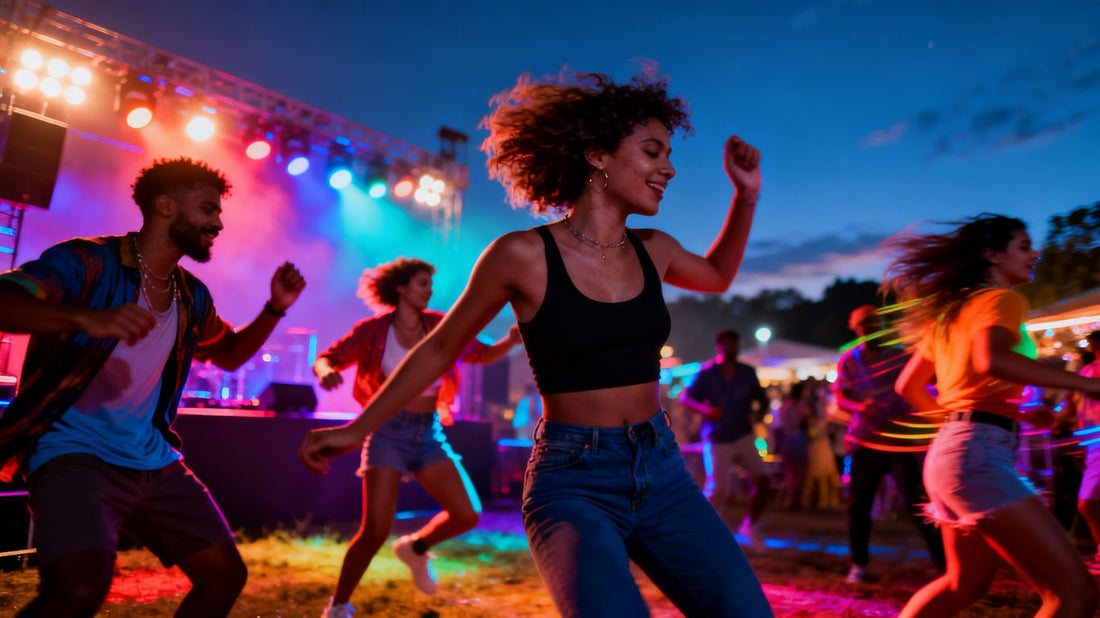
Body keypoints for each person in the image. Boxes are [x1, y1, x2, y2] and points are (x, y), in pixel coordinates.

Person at [299, 71, 773, 617]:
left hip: (662, 468)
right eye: (651, 151)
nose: (668, 168)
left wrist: (747, 195)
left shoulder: (656, 249)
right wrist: (358, 427)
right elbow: (437, 349)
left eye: (668, 154)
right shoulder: (521, 255)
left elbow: (716, 274)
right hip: (574, 481)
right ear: (596, 155)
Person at [0, 157, 306, 617]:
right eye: (207, 209)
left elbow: (228, 354)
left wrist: (274, 309)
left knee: (224, 576)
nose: (218, 223)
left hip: (152, 459)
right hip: (72, 454)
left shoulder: (191, 294)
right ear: (165, 206)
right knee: (78, 590)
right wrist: (85, 316)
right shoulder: (87, 261)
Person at [882, 213, 1099, 617]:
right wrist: (1086, 385)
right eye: (1023, 246)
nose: (1035, 254)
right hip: (977, 457)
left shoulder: (952, 312)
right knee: (1075, 595)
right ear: (992, 255)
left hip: (955, 454)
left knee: (965, 582)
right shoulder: (1003, 300)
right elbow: (990, 360)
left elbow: (908, 386)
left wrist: (968, 420)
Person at [312, 257, 521, 617]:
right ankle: (339, 605)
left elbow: (482, 353)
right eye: (423, 283)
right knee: (375, 530)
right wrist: (326, 371)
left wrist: (511, 341)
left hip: (428, 433)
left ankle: (417, 548)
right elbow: (328, 357)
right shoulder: (373, 330)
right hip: (386, 432)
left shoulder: (438, 324)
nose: (430, 290)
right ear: (401, 288)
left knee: (467, 514)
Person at [833, 305, 945, 584]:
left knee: (919, 504)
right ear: (856, 330)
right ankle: (858, 565)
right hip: (866, 442)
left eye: (877, 323)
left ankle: (945, 566)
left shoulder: (900, 356)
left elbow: (929, 381)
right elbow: (841, 398)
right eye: (867, 325)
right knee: (860, 506)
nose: (873, 329)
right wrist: (860, 406)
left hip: (898, 442)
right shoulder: (849, 361)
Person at [679, 329, 772, 547]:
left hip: (743, 433)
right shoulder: (707, 372)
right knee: (718, 489)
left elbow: (763, 399)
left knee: (763, 480)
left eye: (735, 345)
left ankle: (751, 526)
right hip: (717, 435)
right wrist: (705, 409)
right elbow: (686, 398)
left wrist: (758, 414)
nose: (733, 349)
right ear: (719, 346)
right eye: (729, 345)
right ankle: (705, 531)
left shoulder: (747, 372)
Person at [1062, 330, 1100, 571]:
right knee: (1089, 502)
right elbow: (1074, 404)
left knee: (1088, 501)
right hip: (1092, 443)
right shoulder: (1086, 371)